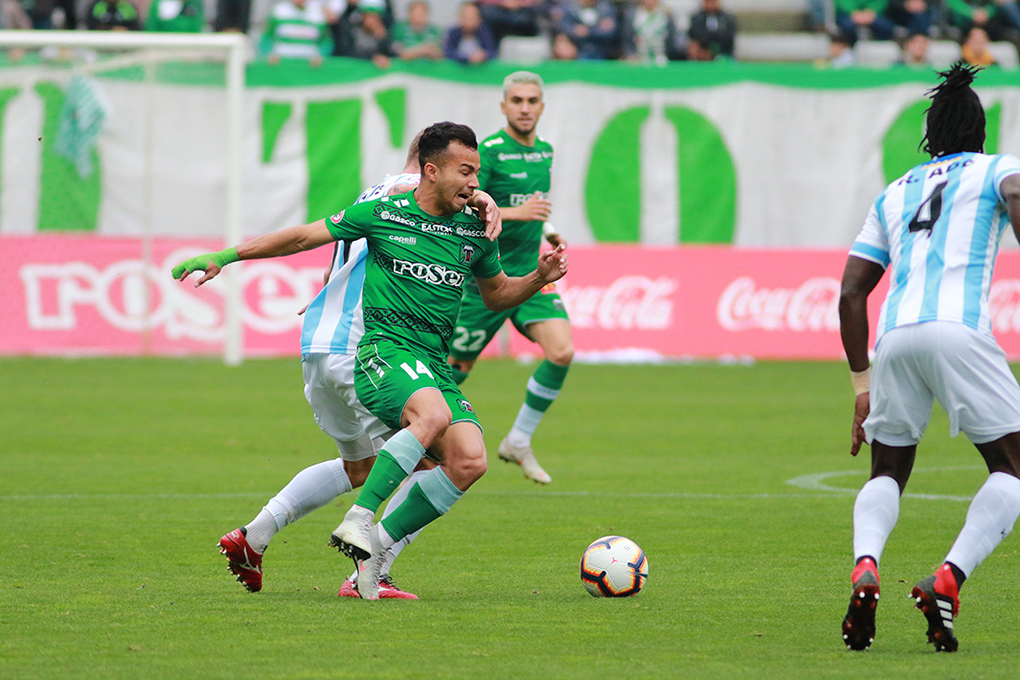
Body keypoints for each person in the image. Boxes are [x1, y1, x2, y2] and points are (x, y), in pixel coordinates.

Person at [174, 122, 568, 601]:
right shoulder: (398, 201)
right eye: (466, 172)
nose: (474, 183)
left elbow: (494, 290)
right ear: (428, 167)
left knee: (396, 463)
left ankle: (256, 538)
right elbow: (307, 236)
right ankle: (370, 550)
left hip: (323, 342)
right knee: (426, 441)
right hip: (370, 345)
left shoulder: (406, 198)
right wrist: (491, 202)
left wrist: (534, 273)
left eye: (477, 173)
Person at [838, 63, 1020, 653]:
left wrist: (861, 384)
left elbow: (849, 293)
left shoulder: (894, 191)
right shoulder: (999, 169)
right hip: (958, 329)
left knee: (888, 470)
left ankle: (867, 565)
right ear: (980, 132)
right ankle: (948, 577)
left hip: (894, 337)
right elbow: (1016, 193)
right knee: (1013, 468)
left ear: (931, 135)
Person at [448, 71, 572, 486]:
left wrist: (548, 231)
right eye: (516, 100)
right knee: (452, 372)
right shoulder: (491, 153)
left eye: (531, 101)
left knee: (562, 351)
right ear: (504, 106)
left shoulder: (545, 153)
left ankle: (518, 440)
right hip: (485, 280)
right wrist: (520, 214)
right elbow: (465, 204)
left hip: (532, 274)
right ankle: (405, 440)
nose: (524, 108)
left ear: (541, 106)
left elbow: (534, 207)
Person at [261, 0, 332, 65]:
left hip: (308, 64)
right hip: (282, 62)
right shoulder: (278, 11)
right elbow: (266, 37)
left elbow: (326, 41)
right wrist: (267, 54)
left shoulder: (318, 13)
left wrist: (321, 56)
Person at [621, 0, 682, 65]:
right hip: (638, 59)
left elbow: (672, 40)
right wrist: (631, 54)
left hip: (662, 57)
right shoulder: (632, 15)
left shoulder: (666, 15)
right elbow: (626, 39)